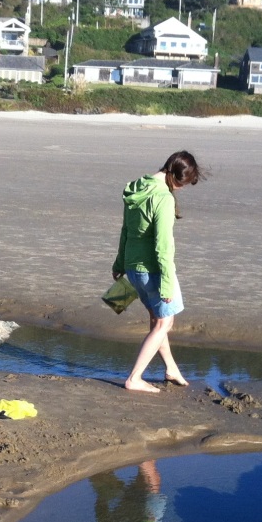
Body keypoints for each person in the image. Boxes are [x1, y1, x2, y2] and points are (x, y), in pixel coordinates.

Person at [113, 150, 205, 393]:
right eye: (185, 183)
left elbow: (125, 230)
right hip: (153, 270)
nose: (183, 189)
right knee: (164, 323)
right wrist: (167, 284)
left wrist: (119, 263)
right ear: (177, 177)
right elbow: (163, 247)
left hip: (133, 269)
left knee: (158, 320)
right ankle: (134, 378)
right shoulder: (163, 198)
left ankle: (171, 369)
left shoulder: (135, 188)